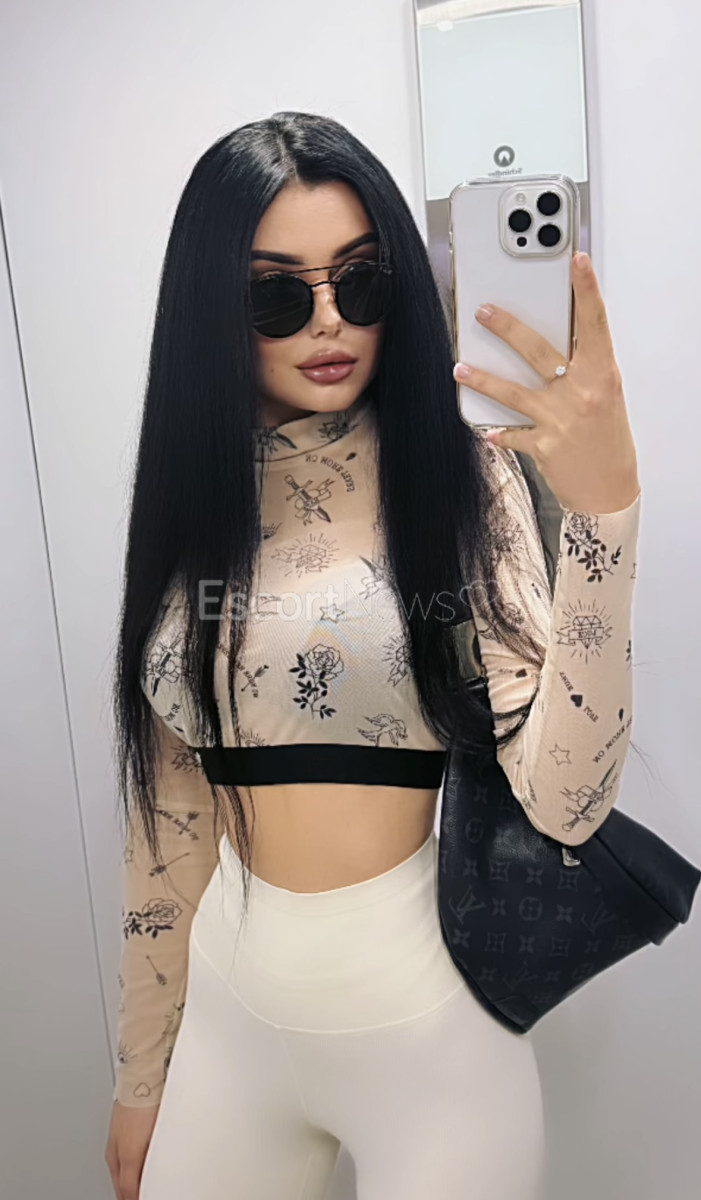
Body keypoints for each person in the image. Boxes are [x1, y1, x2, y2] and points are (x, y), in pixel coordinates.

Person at [104, 111, 641, 1200]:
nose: (328, 321)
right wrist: (140, 1073)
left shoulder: (457, 476)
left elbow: (568, 801)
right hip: (228, 1022)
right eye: (276, 295)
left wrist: (603, 521)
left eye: (360, 282)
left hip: (427, 1033)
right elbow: (168, 827)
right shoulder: (190, 502)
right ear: (212, 309)